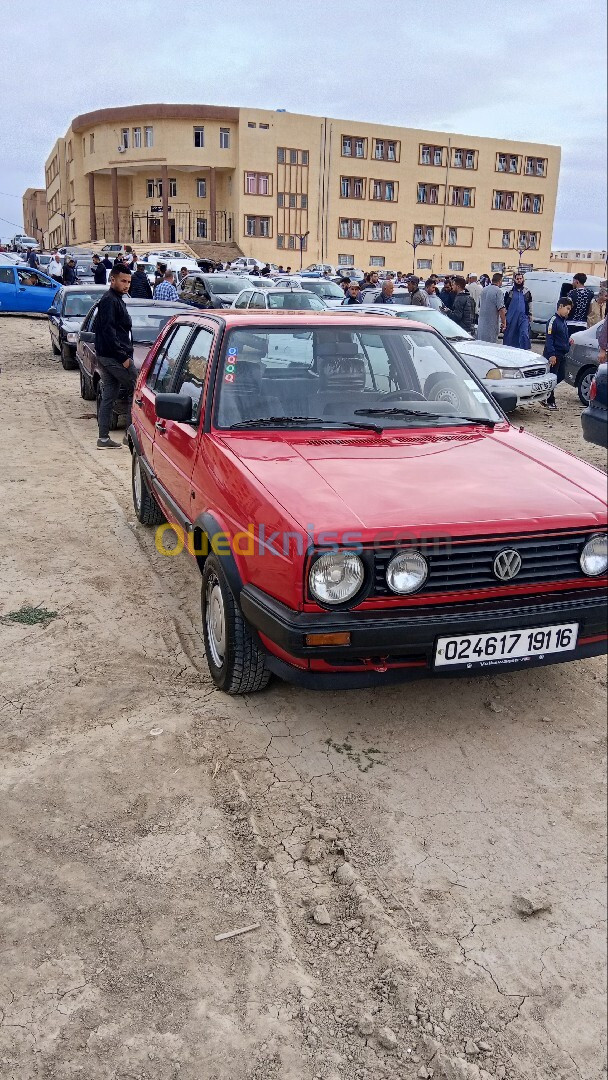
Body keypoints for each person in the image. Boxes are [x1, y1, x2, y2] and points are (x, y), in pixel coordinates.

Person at [95, 265, 135, 450]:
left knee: (109, 396)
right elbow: (108, 331)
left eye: (128, 281)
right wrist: (123, 357)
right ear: (112, 280)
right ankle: (130, 435)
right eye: (123, 281)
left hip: (109, 355)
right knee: (137, 391)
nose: (126, 285)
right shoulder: (109, 300)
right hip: (113, 356)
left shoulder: (117, 299)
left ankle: (103, 439)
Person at [542, 297, 573, 410]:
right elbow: (549, 338)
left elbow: (562, 337)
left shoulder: (563, 321)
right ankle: (550, 400)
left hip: (562, 354)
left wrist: (568, 342)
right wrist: (551, 355)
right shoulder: (553, 320)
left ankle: (544, 393)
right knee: (553, 377)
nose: (568, 311)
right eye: (567, 308)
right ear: (560, 306)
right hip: (554, 354)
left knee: (561, 375)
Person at [504, 272, 532, 349]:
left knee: (524, 333)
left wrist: (530, 314)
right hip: (511, 317)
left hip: (523, 317)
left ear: (523, 279)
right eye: (517, 279)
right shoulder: (510, 291)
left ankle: (525, 351)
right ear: (514, 280)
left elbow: (530, 303)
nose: (519, 280)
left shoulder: (527, 292)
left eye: (520, 279)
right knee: (510, 336)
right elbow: (505, 305)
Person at [477, 273, 506, 343]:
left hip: (481, 324)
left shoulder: (484, 290)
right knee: (490, 346)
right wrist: (504, 322)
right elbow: (501, 309)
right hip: (491, 325)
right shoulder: (498, 291)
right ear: (500, 281)